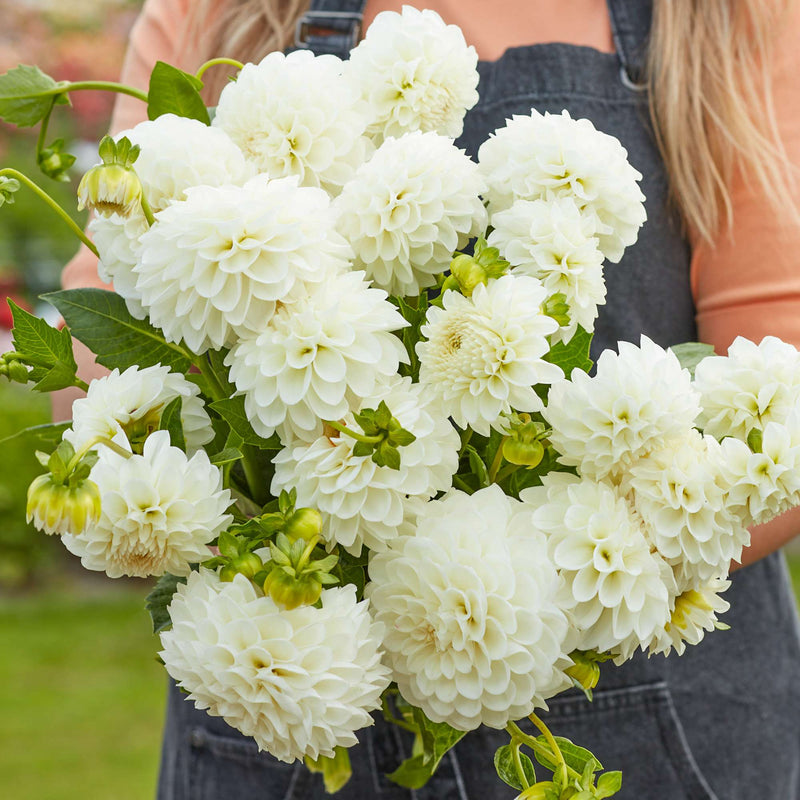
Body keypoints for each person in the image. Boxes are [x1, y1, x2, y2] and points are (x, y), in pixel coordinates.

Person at [60, 1, 800, 797]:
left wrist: (544, 595)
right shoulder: (222, 9)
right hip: (274, 689)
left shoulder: (724, 17)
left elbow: (779, 388)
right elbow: (109, 312)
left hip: (641, 695)